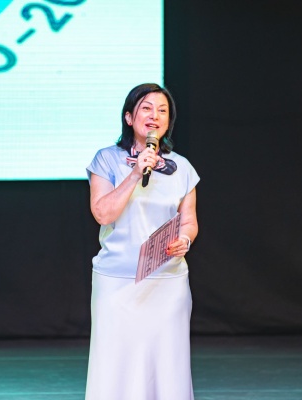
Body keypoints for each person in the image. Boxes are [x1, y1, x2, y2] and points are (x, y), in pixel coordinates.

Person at [85, 83, 199, 400]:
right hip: (117, 280)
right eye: (146, 108)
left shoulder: (182, 167)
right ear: (129, 117)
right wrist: (136, 174)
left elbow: (189, 221)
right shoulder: (106, 160)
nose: (154, 116)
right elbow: (103, 214)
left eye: (162, 110)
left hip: (167, 282)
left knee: (167, 366)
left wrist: (185, 240)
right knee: (116, 367)